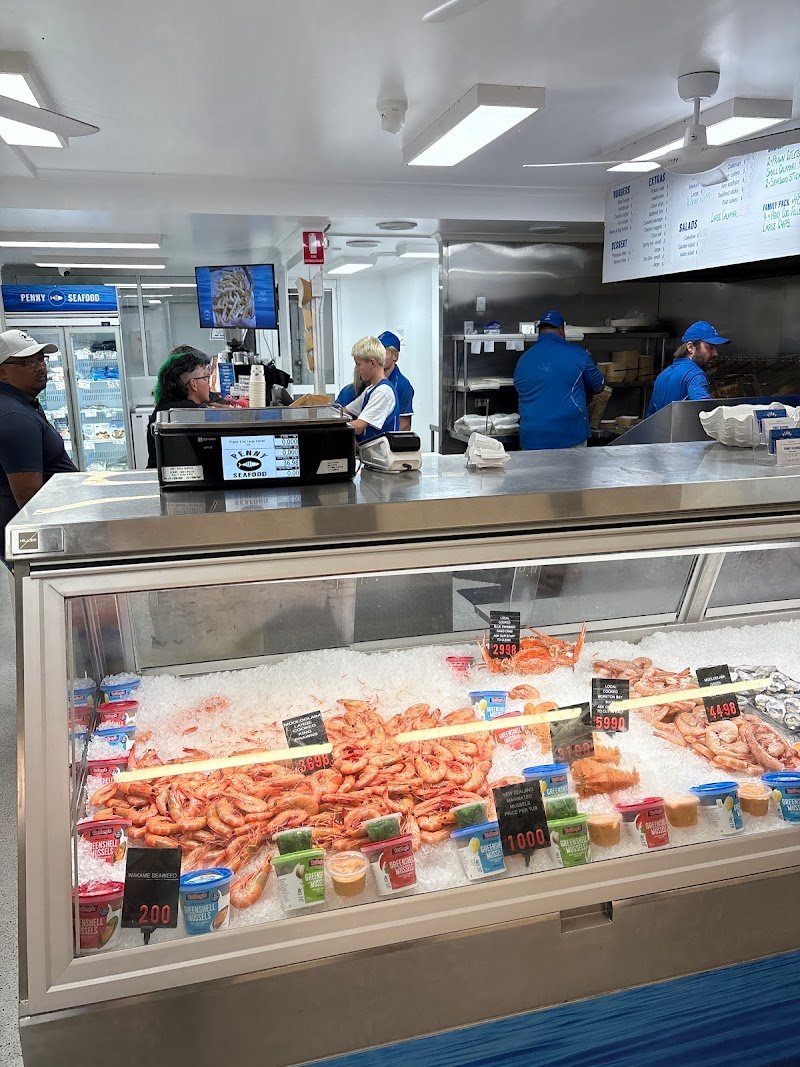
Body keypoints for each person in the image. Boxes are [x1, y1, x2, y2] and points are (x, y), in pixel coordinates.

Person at [0, 329, 77, 561]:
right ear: (2, 371)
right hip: (43, 540)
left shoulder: (21, 405)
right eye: (28, 362)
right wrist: (54, 552)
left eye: (41, 360)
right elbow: (29, 497)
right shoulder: (15, 417)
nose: (41, 367)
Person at [513, 310, 605, 450]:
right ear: (561, 331)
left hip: (532, 438)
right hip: (568, 436)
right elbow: (598, 386)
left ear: (539, 332)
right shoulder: (579, 355)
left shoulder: (523, 360)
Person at [146, 347, 213, 468]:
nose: (208, 384)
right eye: (205, 378)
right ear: (193, 384)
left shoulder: (167, 406)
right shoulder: (187, 412)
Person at [647, 321, 730, 416]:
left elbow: (650, 417)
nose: (715, 353)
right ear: (690, 347)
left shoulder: (662, 375)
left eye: (716, 348)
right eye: (710, 348)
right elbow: (706, 412)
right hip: (685, 426)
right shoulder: (695, 375)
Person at [342, 336, 399, 445]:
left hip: (381, 455)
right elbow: (345, 411)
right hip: (371, 453)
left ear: (372, 363)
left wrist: (334, 427)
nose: (356, 369)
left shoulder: (383, 392)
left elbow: (358, 427)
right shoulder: (370, 389)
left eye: (358, 364)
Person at [377, 331, 414, 431]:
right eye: (376, 353)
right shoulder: (372, 381)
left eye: (382, 353)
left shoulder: (403, 385)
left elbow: (404, 425)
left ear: (395, 356)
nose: (378, 357)